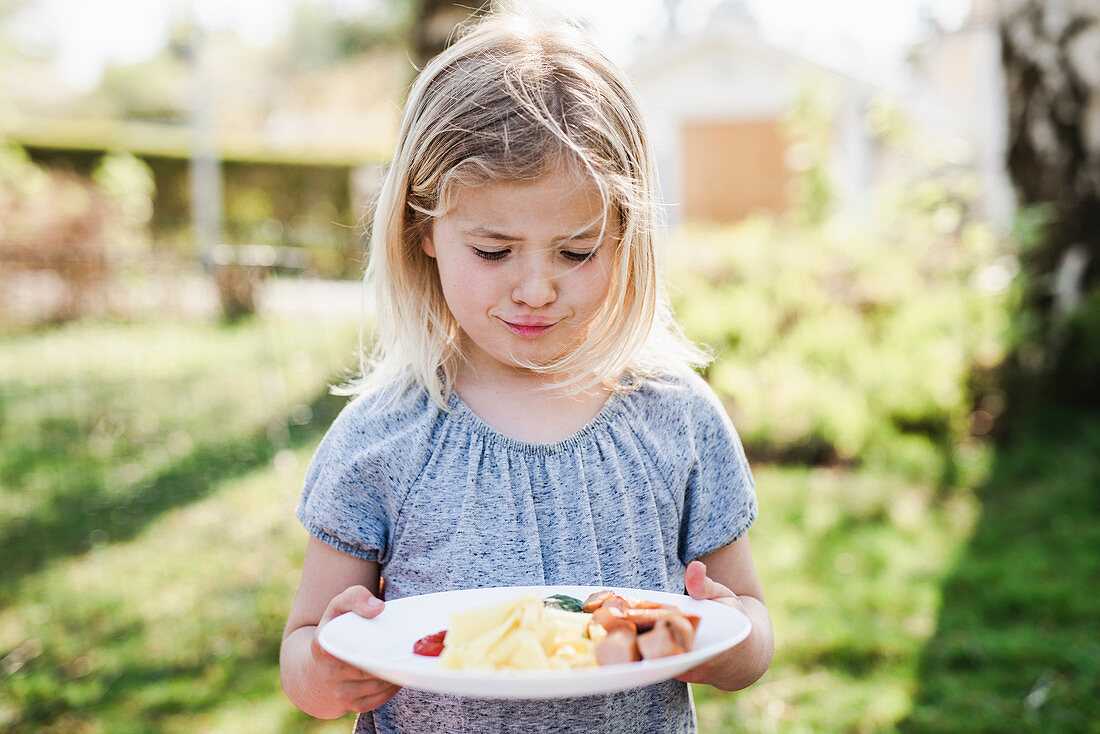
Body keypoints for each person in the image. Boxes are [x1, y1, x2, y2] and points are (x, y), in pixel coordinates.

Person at [280, 9, 773, 733]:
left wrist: (727, 642)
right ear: (424, 231)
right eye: (492, 250)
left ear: (626, 235)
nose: (537, 288)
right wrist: (329, 666)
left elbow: (750, 625)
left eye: (576, 252)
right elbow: (302, 653)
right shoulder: (384, 437)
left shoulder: (677, 420)